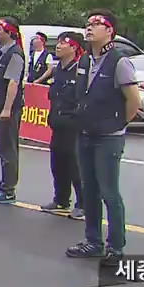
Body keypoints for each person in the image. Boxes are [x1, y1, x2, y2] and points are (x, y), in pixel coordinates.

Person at [66, 10, 141, 268]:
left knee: (109, 192)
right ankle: (93, 241)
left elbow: (134, 100)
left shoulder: (119, 61)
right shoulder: (85, 60)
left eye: (96, 24)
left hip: (108, 137)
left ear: (110, 31)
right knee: (90, 190)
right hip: (85, 133)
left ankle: (116, 246)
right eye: (87, 24)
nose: (90, 28)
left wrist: (119, 123)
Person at [43, 32, 86, 219]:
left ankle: (83, 204)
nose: (58, 46)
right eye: (58, 43)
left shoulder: (80, 69)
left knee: (75, 165)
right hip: (58, 123)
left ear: (74, 47)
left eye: (63, 43)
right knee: (57, 163)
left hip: (73, 124)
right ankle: (61, 200)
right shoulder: (58, 69)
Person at [0, 16, 25, 204]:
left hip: (6, 108)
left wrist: (7, 108)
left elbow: (13, 82)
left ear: (10, 32)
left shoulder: (15, 54)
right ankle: (4, 184)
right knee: (2, 149)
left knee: (9, 149)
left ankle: (9, 189)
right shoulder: (4, 52)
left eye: (0, 29)